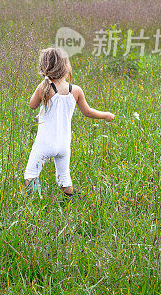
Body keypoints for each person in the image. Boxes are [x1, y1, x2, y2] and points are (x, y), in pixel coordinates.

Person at [24, 47, 114, 197]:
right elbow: (88, 112)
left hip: (45, 143)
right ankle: (70, 199)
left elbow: (32, 105)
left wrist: (42, 85)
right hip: (64, 144)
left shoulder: (44, 88)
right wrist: (106, 115)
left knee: (31, 174)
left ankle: (35, 202)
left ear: (45, 67)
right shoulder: (76, 90)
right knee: (64, 177)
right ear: (66, 66)